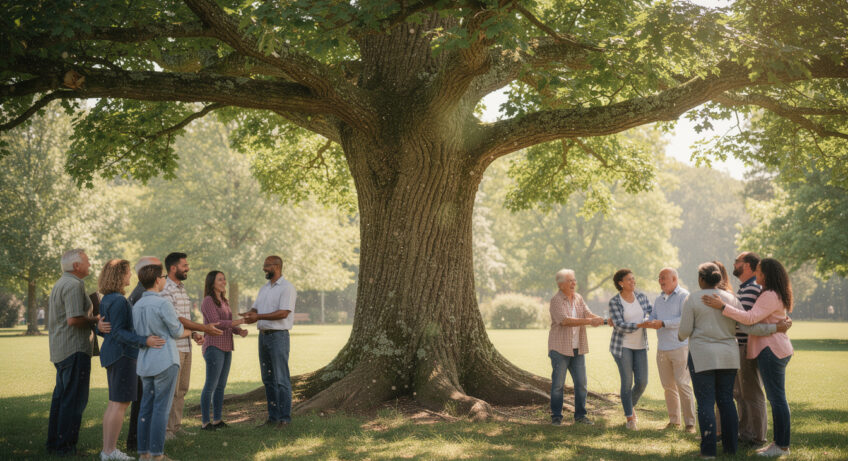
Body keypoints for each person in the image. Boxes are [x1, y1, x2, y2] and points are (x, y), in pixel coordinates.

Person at [703, 258, 795, 457]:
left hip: (772, 350)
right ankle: (778, 444)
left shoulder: (769, 294)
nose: (757, 275)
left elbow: (750, 318)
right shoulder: (770, 293)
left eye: (760, 272)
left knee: (777, 399)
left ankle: (782, 445)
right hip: (772, 349)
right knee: (776, 398)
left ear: (767, 274)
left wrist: (722, 307)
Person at [97, 259, 165, 461]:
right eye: (127, 272)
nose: (130, 276)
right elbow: (118, 332)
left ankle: (107, 451)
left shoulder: (108, 298)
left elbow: (107, 327)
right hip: (123, 356)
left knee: (114, 404)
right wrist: (145, 340)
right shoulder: (118, 300)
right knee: (119, 404)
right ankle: (109, 451)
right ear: (119, 275)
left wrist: (97, 328)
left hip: (115, 354)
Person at [159, 252, 222, 440]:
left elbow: (184, 320)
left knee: (182, 389)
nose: (188, 268)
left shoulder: (181, 288)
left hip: (185, 345)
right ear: (173, 268)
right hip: (172, 346)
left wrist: (194, 334)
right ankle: (166, 431)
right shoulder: (165, 289)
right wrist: (203, 328)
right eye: (184, 265)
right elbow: (176, 318)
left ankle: (176, 427)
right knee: (172, 390)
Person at [133, 263, 191, 461]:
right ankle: (157, 455)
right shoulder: (162, 303)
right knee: (160, 409)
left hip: (145, 363)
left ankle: (144, 454)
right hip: (165, 361)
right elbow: (177, 331)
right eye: (163, 276)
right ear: (158, 280)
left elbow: (136, 334)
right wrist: (194, 331)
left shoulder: (137, 304)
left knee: (145, 409)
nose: (165, 279)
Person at [46, 249, 99, 456]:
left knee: (61, 398)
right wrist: (96, 319)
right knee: (74, 401)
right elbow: (74, 320)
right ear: (76, 266)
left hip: (62, 349)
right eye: (86, 261)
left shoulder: (61, 282)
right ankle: (66, 448)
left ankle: (54, 444)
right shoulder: (74, 285)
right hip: (74, 349)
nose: (89, 265)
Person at [241, 255, 296, 429]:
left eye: (267, 266)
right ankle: (272, 418)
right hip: (263, 336)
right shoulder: (264, 289)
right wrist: (249, 314)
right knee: (268, 379)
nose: (264, 268)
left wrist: (258, 316)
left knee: (281, 379)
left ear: (277, 266)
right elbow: (255, 309)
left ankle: (285, 419)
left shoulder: (287, 288)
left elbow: (283, 313)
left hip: (278, 337)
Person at [548, 269, 604, 426]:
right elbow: (565, 321)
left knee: (581, 384)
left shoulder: (578, 298)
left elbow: (588, 314)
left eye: (574, 280)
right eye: (569, 280)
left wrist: (601, 319)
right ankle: (556, 417)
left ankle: (580, 416)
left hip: (577, 348)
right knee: (558, 385)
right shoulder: (556, 300)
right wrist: (588, 321)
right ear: (560, 284)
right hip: (559, 348)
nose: (573, 283)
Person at [644, 268, 696, 432]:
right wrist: (648, 321)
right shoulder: (659, 299)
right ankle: (674, 421)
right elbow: (654, 316)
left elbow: (685, 319)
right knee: (668, 386)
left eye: (663, 278)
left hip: (681, 346)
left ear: (674, 279)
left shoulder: (684, 296)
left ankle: (690, 424)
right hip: (662, 348)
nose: (660, 281)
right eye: (659, 278)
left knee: (682, 384)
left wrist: (663, 323)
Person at [199, 271, 248, 430]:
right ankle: (205, 422)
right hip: (214, 346)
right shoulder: (208, 301)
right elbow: (216, 323)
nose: (224, 282)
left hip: (227, 346)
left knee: (221, 386)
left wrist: (239, 330)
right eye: (220, 279)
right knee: (211, 385)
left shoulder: (224, 301)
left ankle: (217, 420)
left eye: (224, 279)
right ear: (212, 282)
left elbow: (228, 324)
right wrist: (238, 321)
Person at [730, 252, 769, 446]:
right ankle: (745, 433)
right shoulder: (744, 288)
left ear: (746, 265)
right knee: (741, 393)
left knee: (752, 392)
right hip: (739, 346)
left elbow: (745, 318)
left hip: (748, 347)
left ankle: (758, 436)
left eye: (737, 261)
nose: (734, 264)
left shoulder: (753, 288)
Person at [608, 268, 652, 430]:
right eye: (629, 280)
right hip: (622, 346)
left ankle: (629, 406)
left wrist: (648, 319)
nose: (633, 282)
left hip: (640, 345)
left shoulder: (641, 297)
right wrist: (640, 324)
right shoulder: (615, 301)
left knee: (642, 382)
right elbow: (619, 325)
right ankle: (629, 419)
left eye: (633, 279)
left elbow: (650, 312)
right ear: (621, 283)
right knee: (627, 382)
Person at [126, 256, 161, 452]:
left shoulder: (139, 292)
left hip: (142, 354)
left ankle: (138, 441)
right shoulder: (142, 294)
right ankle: (137, 442)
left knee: (142, 400)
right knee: (143, 400)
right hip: (142, 354)